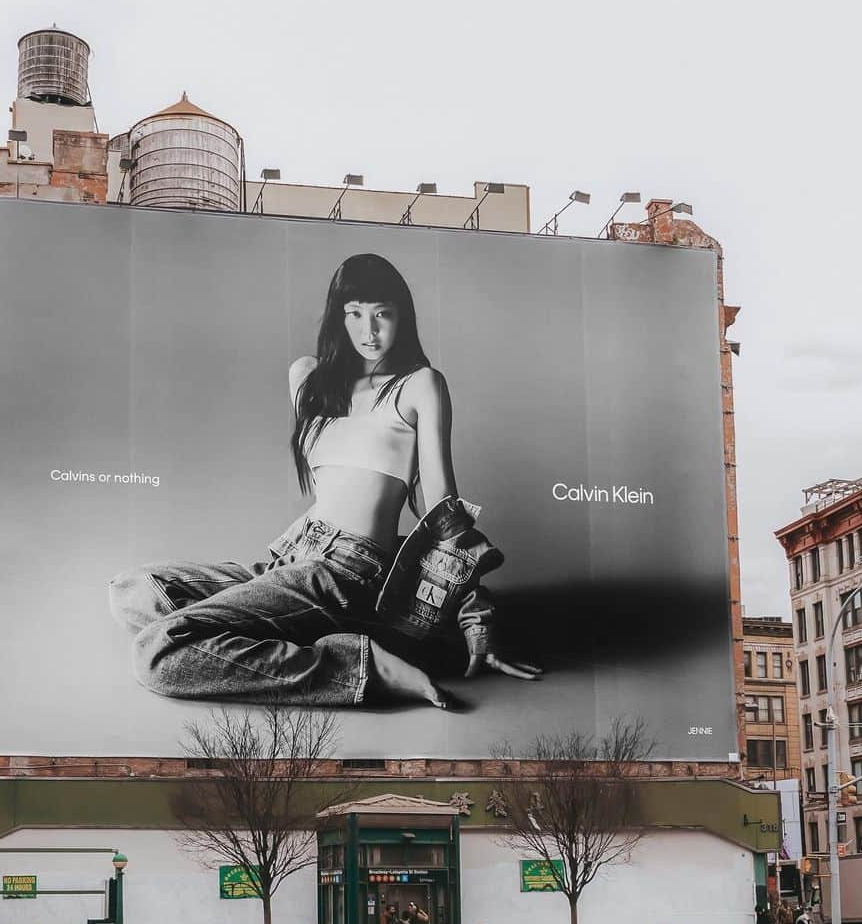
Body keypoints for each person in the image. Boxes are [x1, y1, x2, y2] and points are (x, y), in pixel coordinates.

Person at [110, 252, 540, 710]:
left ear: (402, 317)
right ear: (338, 317)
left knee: (157, 652)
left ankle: (357, 664)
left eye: (382, 315)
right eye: (354, 314)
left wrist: (478, 618)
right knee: (132, 591)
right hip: (292, 554)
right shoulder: (307, 379)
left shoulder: (419, 385)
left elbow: (443, 515)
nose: (369, 331)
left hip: (347, 571)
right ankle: (272, 631)